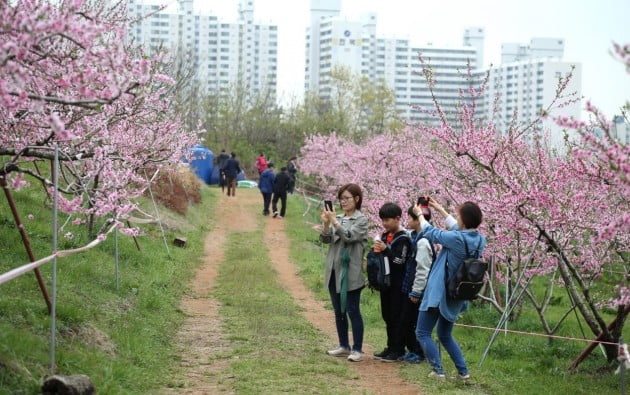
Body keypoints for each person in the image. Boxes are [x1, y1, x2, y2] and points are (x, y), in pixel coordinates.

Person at [414, 197, 486, 380]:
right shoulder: (479, 240)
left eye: (458, 215)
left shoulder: (455, 239)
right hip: (457, 293)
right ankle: (464, 373)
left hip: (440, 292)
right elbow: (456, 228)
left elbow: (431, 233)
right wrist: (438, 208)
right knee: (445, 335)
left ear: (464, 219)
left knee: (422, 332)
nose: (456, 217)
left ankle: (438, 371)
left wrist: (420, 216)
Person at [320, 183, 368, 362]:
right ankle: (343, 345)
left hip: (350, 273)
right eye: (341, 198)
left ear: (356, 199)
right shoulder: (338, 217)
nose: (343, 202)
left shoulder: (361, 220)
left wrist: (333, 221)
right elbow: (326, 240)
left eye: (347, 198)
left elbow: (349, 236)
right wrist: (326, 224)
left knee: (352, 310)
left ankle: (357, 349)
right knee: (338, 310)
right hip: (333, 270)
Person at [372, 202, 412, 362]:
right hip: (385, 283)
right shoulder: (384, 235)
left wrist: (386, 250)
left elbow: (399, 261)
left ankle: (398, 349)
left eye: (387, 220)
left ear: (397, 219)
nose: (384, 223)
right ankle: (390, 347)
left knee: (396, 316)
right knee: (387, 315)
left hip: (398, 284)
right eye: (382, 220)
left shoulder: (404, 239)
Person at [398, 205, 434, 363]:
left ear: (417, 220)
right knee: (407, 320)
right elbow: (406, 232)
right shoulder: (416, 236)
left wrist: (416, 292)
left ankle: (418, 352)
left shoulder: (423, 242)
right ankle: (414, 350)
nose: (407, 220)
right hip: (410, 286)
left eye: (409, 217)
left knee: (412, 322)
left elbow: (422, 270)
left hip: (417, 291)